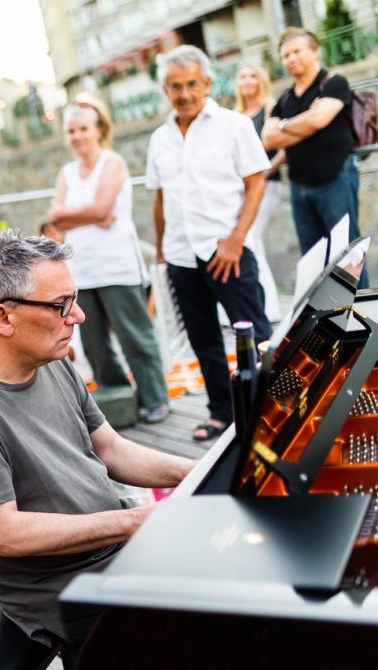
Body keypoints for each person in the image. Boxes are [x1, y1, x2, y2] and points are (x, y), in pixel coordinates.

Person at [0, 231, 194, 658]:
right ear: (3, 318)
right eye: (61, 305)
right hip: (65, 587)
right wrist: (136, 522)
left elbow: (112, 451)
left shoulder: (50, 359)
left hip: (114, 547)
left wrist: (200, 469)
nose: (79, 316)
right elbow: (7, 536)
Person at [146, 45, 272, 442]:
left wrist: (236, 240)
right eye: (175, 86)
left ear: (207, 82)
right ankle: (222, 413)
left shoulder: (234, 125)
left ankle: (271, 411)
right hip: (182, 254)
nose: (184, 94)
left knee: (255, 335)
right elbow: (160, 197)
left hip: (228, 251)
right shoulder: (158, 139)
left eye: (191, 84)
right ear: (165, 89)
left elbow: (256, 184)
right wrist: (163, 248)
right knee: (203, 339)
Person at [48, 95, 170, 424]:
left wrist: (78, 215)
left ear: (99, 129)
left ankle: (155, 398)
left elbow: (101, 209)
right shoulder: (66, 172)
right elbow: (54, 218)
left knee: (135, 337)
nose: (77, 136)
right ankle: (120, 400)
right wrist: (87, 216)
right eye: (71, 130)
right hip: (82, 270)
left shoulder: (112, 162)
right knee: (95, 345)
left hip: (116, 266)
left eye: (83, 128)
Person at [263, 27, 365, 286]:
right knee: (313, 259)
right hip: (299, 187)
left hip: (335, 181)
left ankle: (362, 317)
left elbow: (319, 119)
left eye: (297, 51)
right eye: (285, 55)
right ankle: (324, 321)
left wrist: (284, 126)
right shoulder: (285, 97)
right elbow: (268, 138)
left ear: (315, 51)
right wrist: (305, 124)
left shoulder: (333, 83)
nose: (291, 58)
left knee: (348, 255)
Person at [235, 61, 284, 322]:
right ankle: (257, 304)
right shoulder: (236, 114)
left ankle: (270, 308)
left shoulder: (270, 107)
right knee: (251, 241)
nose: (248, 81)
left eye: (253, 75)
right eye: (243, 76)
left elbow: (282, 150)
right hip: (243, 188)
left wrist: (260, 175)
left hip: (267, 184)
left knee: (251, 237)